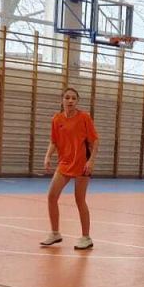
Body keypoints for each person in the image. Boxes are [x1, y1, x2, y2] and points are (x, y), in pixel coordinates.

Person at [41, 87, 98, 249]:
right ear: (62, 100)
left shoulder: (84, 117)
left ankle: (86, 237)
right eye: (67, 97)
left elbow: (95, 141)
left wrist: (91, 161)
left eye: (73, 98)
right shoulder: (57, 119)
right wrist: (48, 156)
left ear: (77, 101)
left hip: (82, 163)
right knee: (52, 196)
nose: (70, 101)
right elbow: (54, 141)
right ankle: (55, 233)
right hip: (64, 163)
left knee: (79, 200)